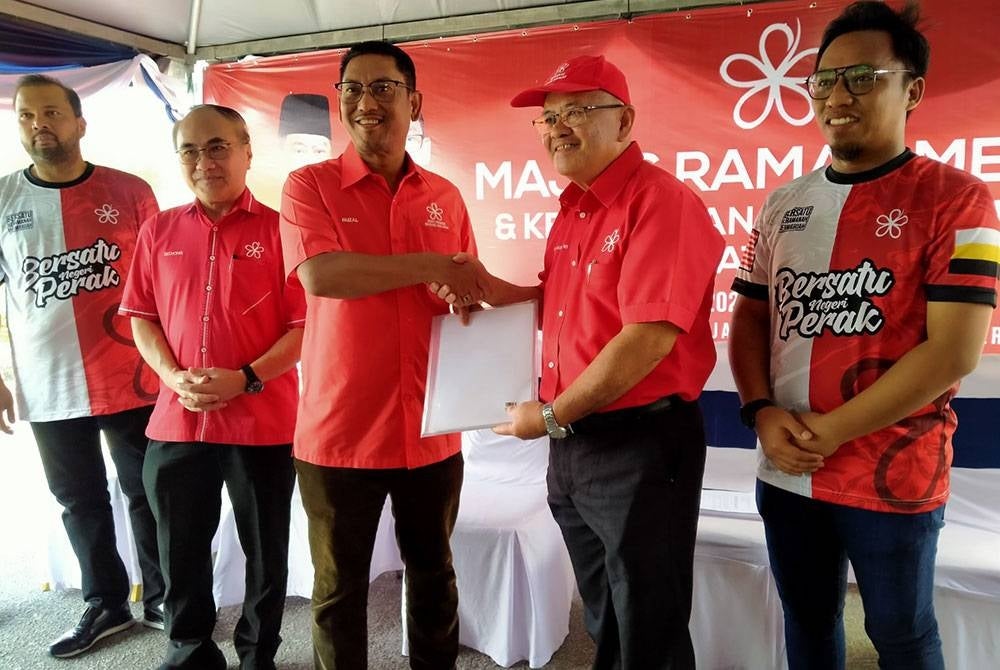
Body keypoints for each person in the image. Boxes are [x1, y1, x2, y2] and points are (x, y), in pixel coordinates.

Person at [729, 3, 1000, 668]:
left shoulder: (958, 199)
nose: (836, 96)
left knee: (901, 636)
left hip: (894, 475)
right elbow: (752, 317)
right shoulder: (782, 202)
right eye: (822, 81)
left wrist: (831, 431)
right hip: (787, 467)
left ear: (912, 90)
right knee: (808, 621)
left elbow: (954, 351)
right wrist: (761, 413)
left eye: (861, 76)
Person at [438, 54, 724, 668]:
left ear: (624, 121)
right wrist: (491, 287)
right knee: (603, 610)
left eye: (576, 111)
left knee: (650, 616)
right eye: (546, 118)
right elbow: (561, 305)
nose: (556, 128)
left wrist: (547, 416)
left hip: (641, 444)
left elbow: (648, 337)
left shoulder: (661, 202)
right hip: (575, 446)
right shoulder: (574, 210)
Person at [278, 40, 485, 669]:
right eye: (353, 89)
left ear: (414, 101)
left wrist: (479, 297)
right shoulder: (308, 186)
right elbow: (322, 277)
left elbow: (467, 289)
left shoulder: (444, 196)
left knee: (433, 579)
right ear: (340, 104)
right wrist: (429, 265)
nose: (367, 102)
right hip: (340, 432)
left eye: (384, 88)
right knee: (339, 591)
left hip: (430, 427)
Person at [120, 104, 305, 670]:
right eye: (190, 150)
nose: (205, 161)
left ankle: (257, 653)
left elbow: (306, 327)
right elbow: (141, 316)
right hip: (178, 418)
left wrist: (245, 377)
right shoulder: (159, 229)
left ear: (247, 152)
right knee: (177, 547)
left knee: (264, 551)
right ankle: (189, 647)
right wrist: (174, 377)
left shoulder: (283, 230)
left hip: (262, 418)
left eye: (218, 146)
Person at [0, 74, 165, 658]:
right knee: (79, 499)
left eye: (50, 112)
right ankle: (106, 601)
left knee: (149, 490)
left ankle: (163, 596)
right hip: (48, 384)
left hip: (135, 375)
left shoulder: (130, 191)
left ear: (79, 123)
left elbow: (164, 281)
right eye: (25, 115)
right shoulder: (2, 200)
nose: (38, 123)